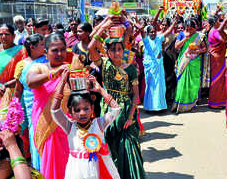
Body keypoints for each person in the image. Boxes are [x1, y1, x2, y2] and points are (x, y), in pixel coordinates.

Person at [89, 19, 146, 179]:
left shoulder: (131, 70)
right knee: (109, 142)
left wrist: (130, 117)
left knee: (127, 145)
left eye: (120, 50)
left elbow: (135, 95)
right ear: (107, 52)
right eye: (113, 50)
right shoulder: (104, 64)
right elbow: (90, 46)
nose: (116, 53)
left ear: (123, 51)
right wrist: (105, 24)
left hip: (126, 110)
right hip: (107, 106)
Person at [51, 71, 121, 179]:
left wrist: (101, 90)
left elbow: (116, 109)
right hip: (76, 170)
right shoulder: (69, 127)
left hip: (98, 167)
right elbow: (54, 111)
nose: (82, 113)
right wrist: (62, 83)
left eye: (86, 108)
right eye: (77, 110)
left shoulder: (99, 124)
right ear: (70, 112)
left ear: (92, 108)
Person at [27, 33, 72, 179]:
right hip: (46, 124)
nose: (59, 54)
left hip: (66, 124)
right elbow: (31, 81)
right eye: (54, 50)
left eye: (62, 49)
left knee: (70, 163)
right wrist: (53, 74)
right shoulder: (38, 68)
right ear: (45, 52)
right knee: (51, 163)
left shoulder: (70, 68)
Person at [13, 34, 47, 170]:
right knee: (35, 137)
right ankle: (40, 169)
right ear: (32, 47)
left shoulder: (47, 61)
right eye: (42, 45)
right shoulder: (22, 65)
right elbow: (18, 90)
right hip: (31, 106)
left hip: (48, 104)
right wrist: (14, 110)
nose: (45, 48)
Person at [172, 18, 207, 113]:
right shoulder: (181, 34)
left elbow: (204, 48)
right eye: (188, 29)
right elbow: (176, 47)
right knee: (182, 83)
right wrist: (185, 38)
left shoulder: (199, 36)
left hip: (194, 61)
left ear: (195, 28)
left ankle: (190, 105)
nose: (190, 31)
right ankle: (180, 105)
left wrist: (197, 51)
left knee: (193, 83)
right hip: (184, 60)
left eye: (191, 29)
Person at [0, 24, 28, 105]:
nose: (3, 37)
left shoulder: (22, 51)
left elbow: (25, 73)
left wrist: (6, 85)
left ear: (14, 36)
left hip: (16, 92)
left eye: (7, 34)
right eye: (1, 34)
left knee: (14, 115)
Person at [140, 23, 175, 112]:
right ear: (148, 33)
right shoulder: (146, 41)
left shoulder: (159, 38)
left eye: (154, 31)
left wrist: (174, 22)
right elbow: (141, 31)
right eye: (151, 32)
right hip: (151, 68)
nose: (153, 33)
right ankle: (150, 107)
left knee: (160, 86)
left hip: (159, 66)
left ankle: (160, 107)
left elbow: (168, 31)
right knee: (151, 87)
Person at [208, 11, 227, 110]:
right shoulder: (215, 32)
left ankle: (219, 101)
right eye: (220, 21)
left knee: (219, 80)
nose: (221, 22)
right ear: (215, 23)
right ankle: (216, 102)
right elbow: (225, 40)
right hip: (217, 59)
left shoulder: (213, 30)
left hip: (217, 57)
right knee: (217, 80)